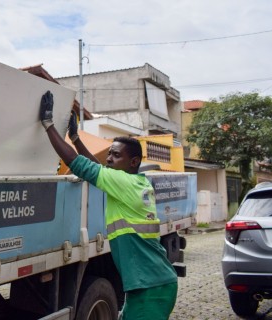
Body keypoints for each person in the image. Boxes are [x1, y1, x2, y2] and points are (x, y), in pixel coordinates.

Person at [39, 91, 178, 320]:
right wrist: (75, 138)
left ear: (133, 162)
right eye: (109, 154)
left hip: (149, 288)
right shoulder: (134, 182)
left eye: (116, 155)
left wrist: (48, 125)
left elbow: (79, 165)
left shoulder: (124, 182)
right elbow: (98, 170)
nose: (109, 159)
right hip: (150, 284)